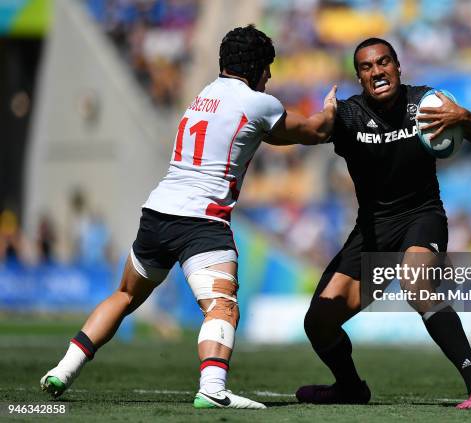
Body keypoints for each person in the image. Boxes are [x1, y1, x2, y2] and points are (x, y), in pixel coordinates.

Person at [40, 24, 337, 410]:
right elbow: (313, 131)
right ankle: (213, 388)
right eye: (268, 67)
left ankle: (63, 370)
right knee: (223, 305)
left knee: (125, 294)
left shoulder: (203, 96)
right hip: (202, 221)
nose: (270, 76)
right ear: (255, 66)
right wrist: (331, 109)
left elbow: (265, 135)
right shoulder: (258, 102)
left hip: (158, 212)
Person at [294, 38, 471, 410]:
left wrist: (465, 118)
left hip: (421, 217)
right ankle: (350, 388)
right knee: (318, 323)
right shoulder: (347, 115)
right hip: (372, 232)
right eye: (366, 67)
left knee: (416, 283)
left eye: (384, 62)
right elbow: (311, 131)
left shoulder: (427, 104)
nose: (377, 71)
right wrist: (325, 115)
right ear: (358, 76)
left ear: (398, 66)